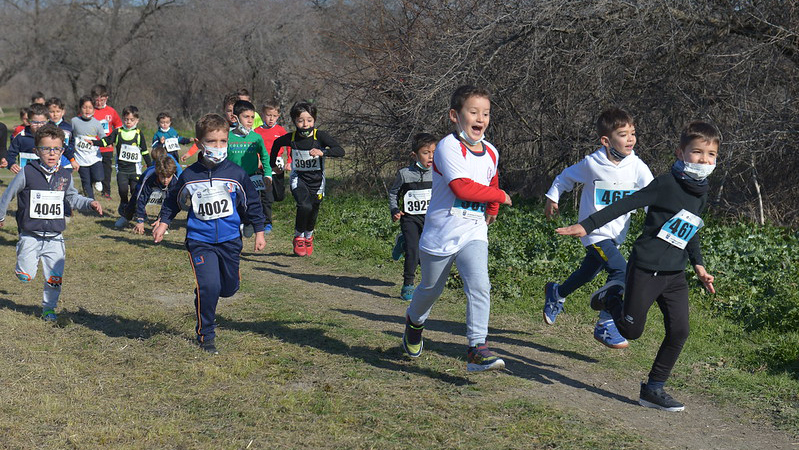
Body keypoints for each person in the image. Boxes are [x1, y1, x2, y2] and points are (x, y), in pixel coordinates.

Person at [556, 120, 719, 412]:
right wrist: (587, 225)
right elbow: (625, 204)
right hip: (646, 269)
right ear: (680, 152)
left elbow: (691, 227)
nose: (704, 160)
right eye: (697, 152)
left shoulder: (702, 191)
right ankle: (610, 297)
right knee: (631, 331)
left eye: (711, 155)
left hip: (675, 275)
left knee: (680, 331)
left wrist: (699, 265)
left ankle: (653, 389)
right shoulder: (665, 184)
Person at [401, 85, 512, 372]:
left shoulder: (491, 151)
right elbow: (461, 187)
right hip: (441, 233)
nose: (480, 119)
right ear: (455, 115)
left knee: (480, 285)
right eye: (473, 112)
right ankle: (414, 322)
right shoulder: (448, 147)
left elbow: (491, 179)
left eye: (485, 113)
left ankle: (477, 348)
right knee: (429, 289)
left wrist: (493, 206)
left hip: (473, 231)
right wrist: (499, 197)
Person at [154, 113, 266, 354]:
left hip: (230, 240)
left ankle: (211, 289)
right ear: (199, 143)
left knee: (228, 288)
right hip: (200, 241)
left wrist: (259, 230)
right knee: (209, 286)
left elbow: (252, 203)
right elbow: (173, 200)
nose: (218, 146)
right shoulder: (189, 176)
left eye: (223, 141)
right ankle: (206, 335)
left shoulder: (236, 174)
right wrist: (164, 222)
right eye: (212, 141)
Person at [542, 108, 653, 349]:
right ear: (606, 141)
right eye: (623, 135)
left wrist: (657, 223)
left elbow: (652, 197)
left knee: (588, 272)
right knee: (622, 272)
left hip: (616, 235)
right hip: (594, 233)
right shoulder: (593, 163)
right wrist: (553, 197)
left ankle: (557, 292)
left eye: (633, 133)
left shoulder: (637, 166)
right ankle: (606, 323)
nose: (631, 139)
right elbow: (565, 177)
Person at [0, 124, 103, 321]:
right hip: (30, 234)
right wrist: (1, 216)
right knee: (26, 276)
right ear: (36, 151)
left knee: (54, 278)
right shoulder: (27, 172)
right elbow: (8, 195)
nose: (52, 153)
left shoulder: (65, 175)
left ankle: (49, 308)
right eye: (46, 149)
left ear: (62, 151)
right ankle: (23, 264)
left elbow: (72, 197)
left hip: (55, 236)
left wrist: (89, 203)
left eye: (56, 149)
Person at [269, 101, 345, 256]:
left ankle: (308, 236)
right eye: (300, 120)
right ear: (294, 121)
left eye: (309, 120)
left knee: (314, 209)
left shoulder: (320, 136)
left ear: (314, 120)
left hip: (317, 181)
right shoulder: (292, 138)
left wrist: (323, 152)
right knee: (304, 206)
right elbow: (276, 144)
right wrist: (273, 165)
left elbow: (340, 151)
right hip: (299, 178)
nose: (305, 124)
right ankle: (298, 237)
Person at [387, 132, 436, 300]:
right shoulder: (404, 174)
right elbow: (393, 193)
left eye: (434, 152)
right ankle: (408, 285)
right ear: (414, 155)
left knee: (425, 253)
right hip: (410, 218)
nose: (431, 157)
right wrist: (394, 210)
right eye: (426, 153)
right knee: (413, 250)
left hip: (430, 219)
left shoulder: (438, 173)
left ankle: (402, 242)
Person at [86, 106, 151, 227]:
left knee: (135, 192)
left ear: (137, 120)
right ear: (123, 119)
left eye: (131, 120)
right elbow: (106, 141)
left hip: (135, 170)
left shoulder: (138, 134)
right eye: (126, 119)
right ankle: (125, 211)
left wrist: (151, 166)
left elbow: (144, 151)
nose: (128, 122)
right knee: (123, 191)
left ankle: (140, 213)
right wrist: (94, 142)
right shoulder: (118, 132)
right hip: (122, 169)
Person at [227, 100, 272, 236]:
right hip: (232, 178)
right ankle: (236, 226)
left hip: (252, 177)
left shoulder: (256, 138)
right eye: (246, 117)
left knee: (251, 204)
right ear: (235, 118)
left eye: (252, 117)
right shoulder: (227, 137)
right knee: (234, 204)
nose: (250, 120)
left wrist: (268, 174)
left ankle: (247, 222)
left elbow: (265, 156)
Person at [4, 104, 70, 173]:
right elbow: (10, 154)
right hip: (28, 174)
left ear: (47, 120)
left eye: (42, 122)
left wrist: (72, 160)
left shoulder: (53, 136)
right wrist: (11, 164)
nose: (39, 126)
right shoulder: (21, 137)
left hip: (51, 174)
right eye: (35, 122)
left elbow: (66, 149)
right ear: (29, 121)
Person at [126, 148, 179, 235]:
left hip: (164, 192)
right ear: (158, 174)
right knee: (135, 197)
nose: (165, 180)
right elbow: (141, 198)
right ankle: (126, 216)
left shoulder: (175, 181)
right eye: (162, 177)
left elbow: (170, 204)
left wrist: (162, 221)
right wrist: (140, 220)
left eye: (168, 177)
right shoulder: (149, 178)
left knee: (168, 201)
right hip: (148, 183)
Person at [70, 96, 106, 198]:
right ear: (80, 109)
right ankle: (90, 201)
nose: (87, 110)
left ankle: (97, 180)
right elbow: (70, 135)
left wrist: (106, 142)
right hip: (80, 157)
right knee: (86, 181)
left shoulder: (97, 123)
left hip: (94, 156)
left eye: (90, 108)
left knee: (98, 175)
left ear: (94, 110)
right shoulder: (74, 121)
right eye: (84, 107)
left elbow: (103, 137)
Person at [91, 84, 123, 199]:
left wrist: (114, 139)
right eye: (97, 100)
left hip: (107, 147)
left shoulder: (111, 111)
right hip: (92, 147)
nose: (99, 103)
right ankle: (90, 188)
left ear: (106, 98)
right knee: (92, 169)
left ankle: (106, 192)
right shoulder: (89, 110)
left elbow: (118, 126)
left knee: (107, 170)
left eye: (102, 100)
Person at [254, 100, 289, 202]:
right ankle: (265, 206)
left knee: (279, 195)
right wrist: (257, 159)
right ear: (263, 115)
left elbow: (289, 145)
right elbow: (253, 147)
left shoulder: (280, 130)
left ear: (278, 116)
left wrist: (289, 161)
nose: (271, 119)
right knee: (265, 194)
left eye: (274, 116)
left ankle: (272, 199)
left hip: (277, 164)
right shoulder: (257, 131)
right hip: (262, 165)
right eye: (268, 115)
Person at [46, 97, 78, 170]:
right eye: (52, 112)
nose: (55, 114)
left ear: (63, 112)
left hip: (66, 162)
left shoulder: (69, 128)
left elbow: (72, 143)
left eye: (58, 111)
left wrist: (71, 158)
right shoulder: (46, 127)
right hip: (50, 162)